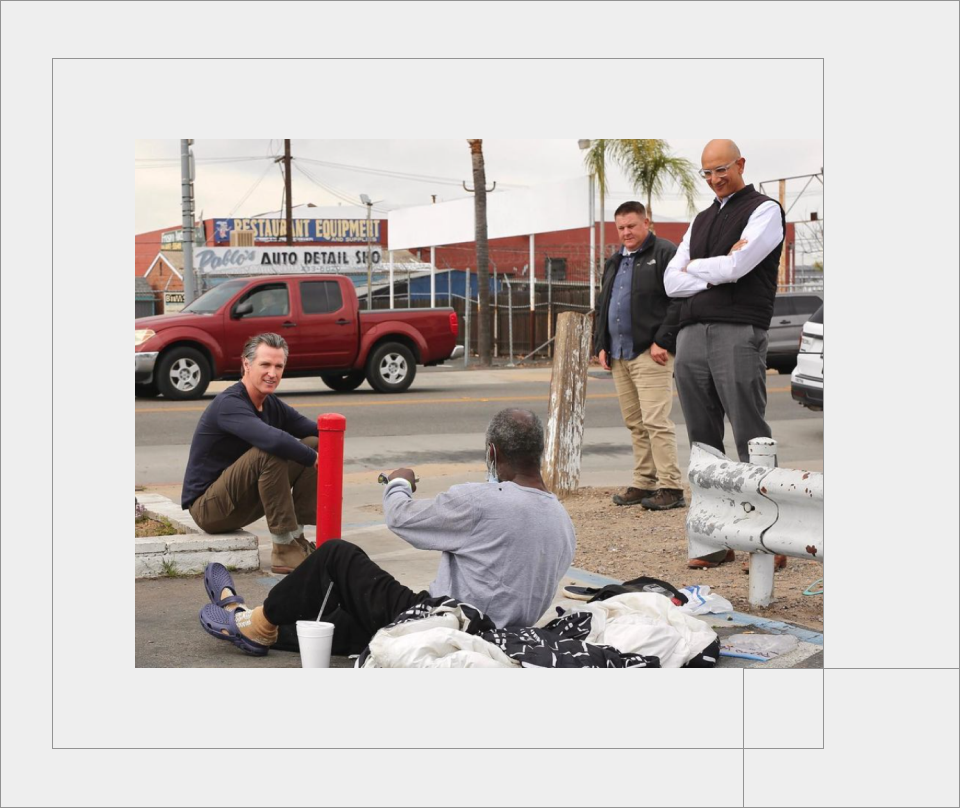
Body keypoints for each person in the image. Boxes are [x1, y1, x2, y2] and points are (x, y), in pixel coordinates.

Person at [198, 408, 578, 658]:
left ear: (492, 454)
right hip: (497, 638)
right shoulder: (563, 522)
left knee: (336, 556)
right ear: (539, 453)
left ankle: (253, 623)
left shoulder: (483, 500)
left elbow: (401, 518)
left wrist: (400, 482)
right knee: (334, 626)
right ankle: (240, 613)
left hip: (447, 620)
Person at [664, 139, 787, 570]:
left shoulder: (764, 210)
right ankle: (712, 539)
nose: (715, 178)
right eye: (708, 172)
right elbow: (670, 283)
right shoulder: (700, 220)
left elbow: (738, 269)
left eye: (722, 169)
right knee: (702, 440)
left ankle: (768, 539)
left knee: (750, 435)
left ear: (741, 164)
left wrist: (697, 267)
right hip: (691, 335)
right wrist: (714, 268)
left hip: (738, 330)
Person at [181, 332, 319, 575]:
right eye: (265, 364)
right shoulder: (230, 403)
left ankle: (297, 539)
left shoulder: (270, 403)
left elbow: (315, 431)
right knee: (271, 450)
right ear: (246, 364)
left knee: (314, 443)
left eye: (278, 366)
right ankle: (283, 548)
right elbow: (272, 440)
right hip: (209, 508)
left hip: (239, 500)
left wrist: (331, 439)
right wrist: (312, 459)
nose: (272, 373)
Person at [593, 201, 685, 511]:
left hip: (651, 354)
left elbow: (680, 300)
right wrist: (601, 345)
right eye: (620, 228)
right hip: (620, 355)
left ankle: (671, 486)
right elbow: (605, 305)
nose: (626, 232)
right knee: (635, 422)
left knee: (656, 421)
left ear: (647, 222)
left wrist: (663, 340)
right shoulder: (614, 261)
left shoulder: (664, 253)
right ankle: (645, 481)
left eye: (631, 226)